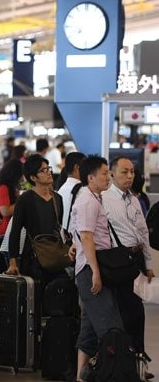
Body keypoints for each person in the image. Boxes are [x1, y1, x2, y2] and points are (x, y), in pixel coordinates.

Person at [69, 155, 124, 381]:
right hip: (91, 269)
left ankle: (81, 377)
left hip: (92, 267)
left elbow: (79, 234)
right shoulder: (87, 201)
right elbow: (87, 237)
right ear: (91, 178)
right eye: (104, 173)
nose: (108, 177)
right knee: (110, 327)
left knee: (90, 327)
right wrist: (96, 273)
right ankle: (113, 374)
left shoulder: (92, 198)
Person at [102, 156, 155, 369]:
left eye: (132, 172)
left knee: (137, 314)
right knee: (125, 313)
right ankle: (123, 363)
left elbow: (143, 233)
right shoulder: (104, 198)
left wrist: (149, 264)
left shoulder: (133, 198)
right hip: (116, 261)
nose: (130, 176)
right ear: (112, 173)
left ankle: (137, 361)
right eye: (125, 172)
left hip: (135, 261)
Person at [6, 154, 65, 302]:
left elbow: (59, 227)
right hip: (33, 258)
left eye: (48, 168)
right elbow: (16, 231)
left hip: (55, 256)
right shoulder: (25, 199)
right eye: (43, 170)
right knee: (35, 300)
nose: (48, 172)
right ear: (33, 177)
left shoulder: (58, 199)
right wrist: (13, 261)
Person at [0, 159, 23, 271]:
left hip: (8, 232)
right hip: (3, 233)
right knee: (5, 268)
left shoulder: (10, 187)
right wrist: (21, 201)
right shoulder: (3, 188)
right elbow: (5, 211)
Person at [57, 152, 86, 230]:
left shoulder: (61, 189)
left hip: (64, 238)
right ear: (77, 167)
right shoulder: (81, 190)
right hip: (77, 238)